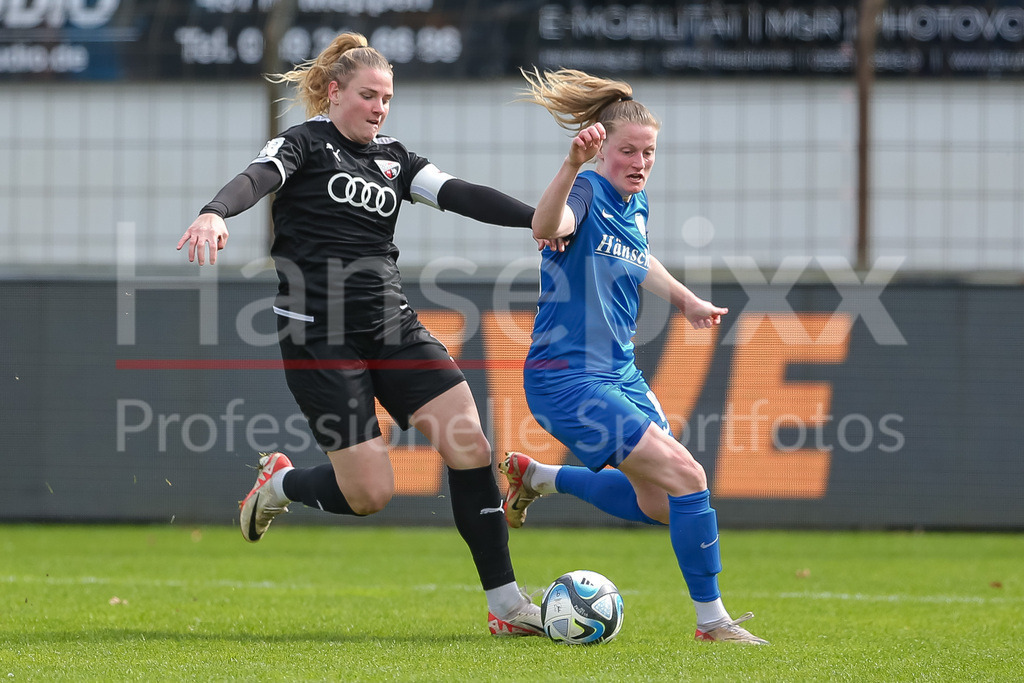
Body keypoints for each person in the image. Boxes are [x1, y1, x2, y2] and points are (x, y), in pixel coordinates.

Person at [176, 33, 542, 637]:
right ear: (333, 92)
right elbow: (256, 177)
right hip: (320, 338)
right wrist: (215, 210)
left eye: (387, 98)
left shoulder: (396, 159)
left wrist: (537, 218)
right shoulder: (304, 143)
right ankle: (283, 483)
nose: (380, 108)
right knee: (372, 494)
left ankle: (505, 605)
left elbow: (460, 194)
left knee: (469, 442)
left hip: (392, 327)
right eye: (369, 95)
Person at [499, 67, 769, 645]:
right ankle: (712, 621)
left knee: (662, 502)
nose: (640, 162)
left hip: (617, 373)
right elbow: (546, 225)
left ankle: (540, 477)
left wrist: (688, 300)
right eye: (628, 151)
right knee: (689, 476)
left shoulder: (635, 202)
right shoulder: (588, 190)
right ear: (602, 150)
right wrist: (571, 164)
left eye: (648, 152)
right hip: (566, 380)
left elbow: (639, 258)